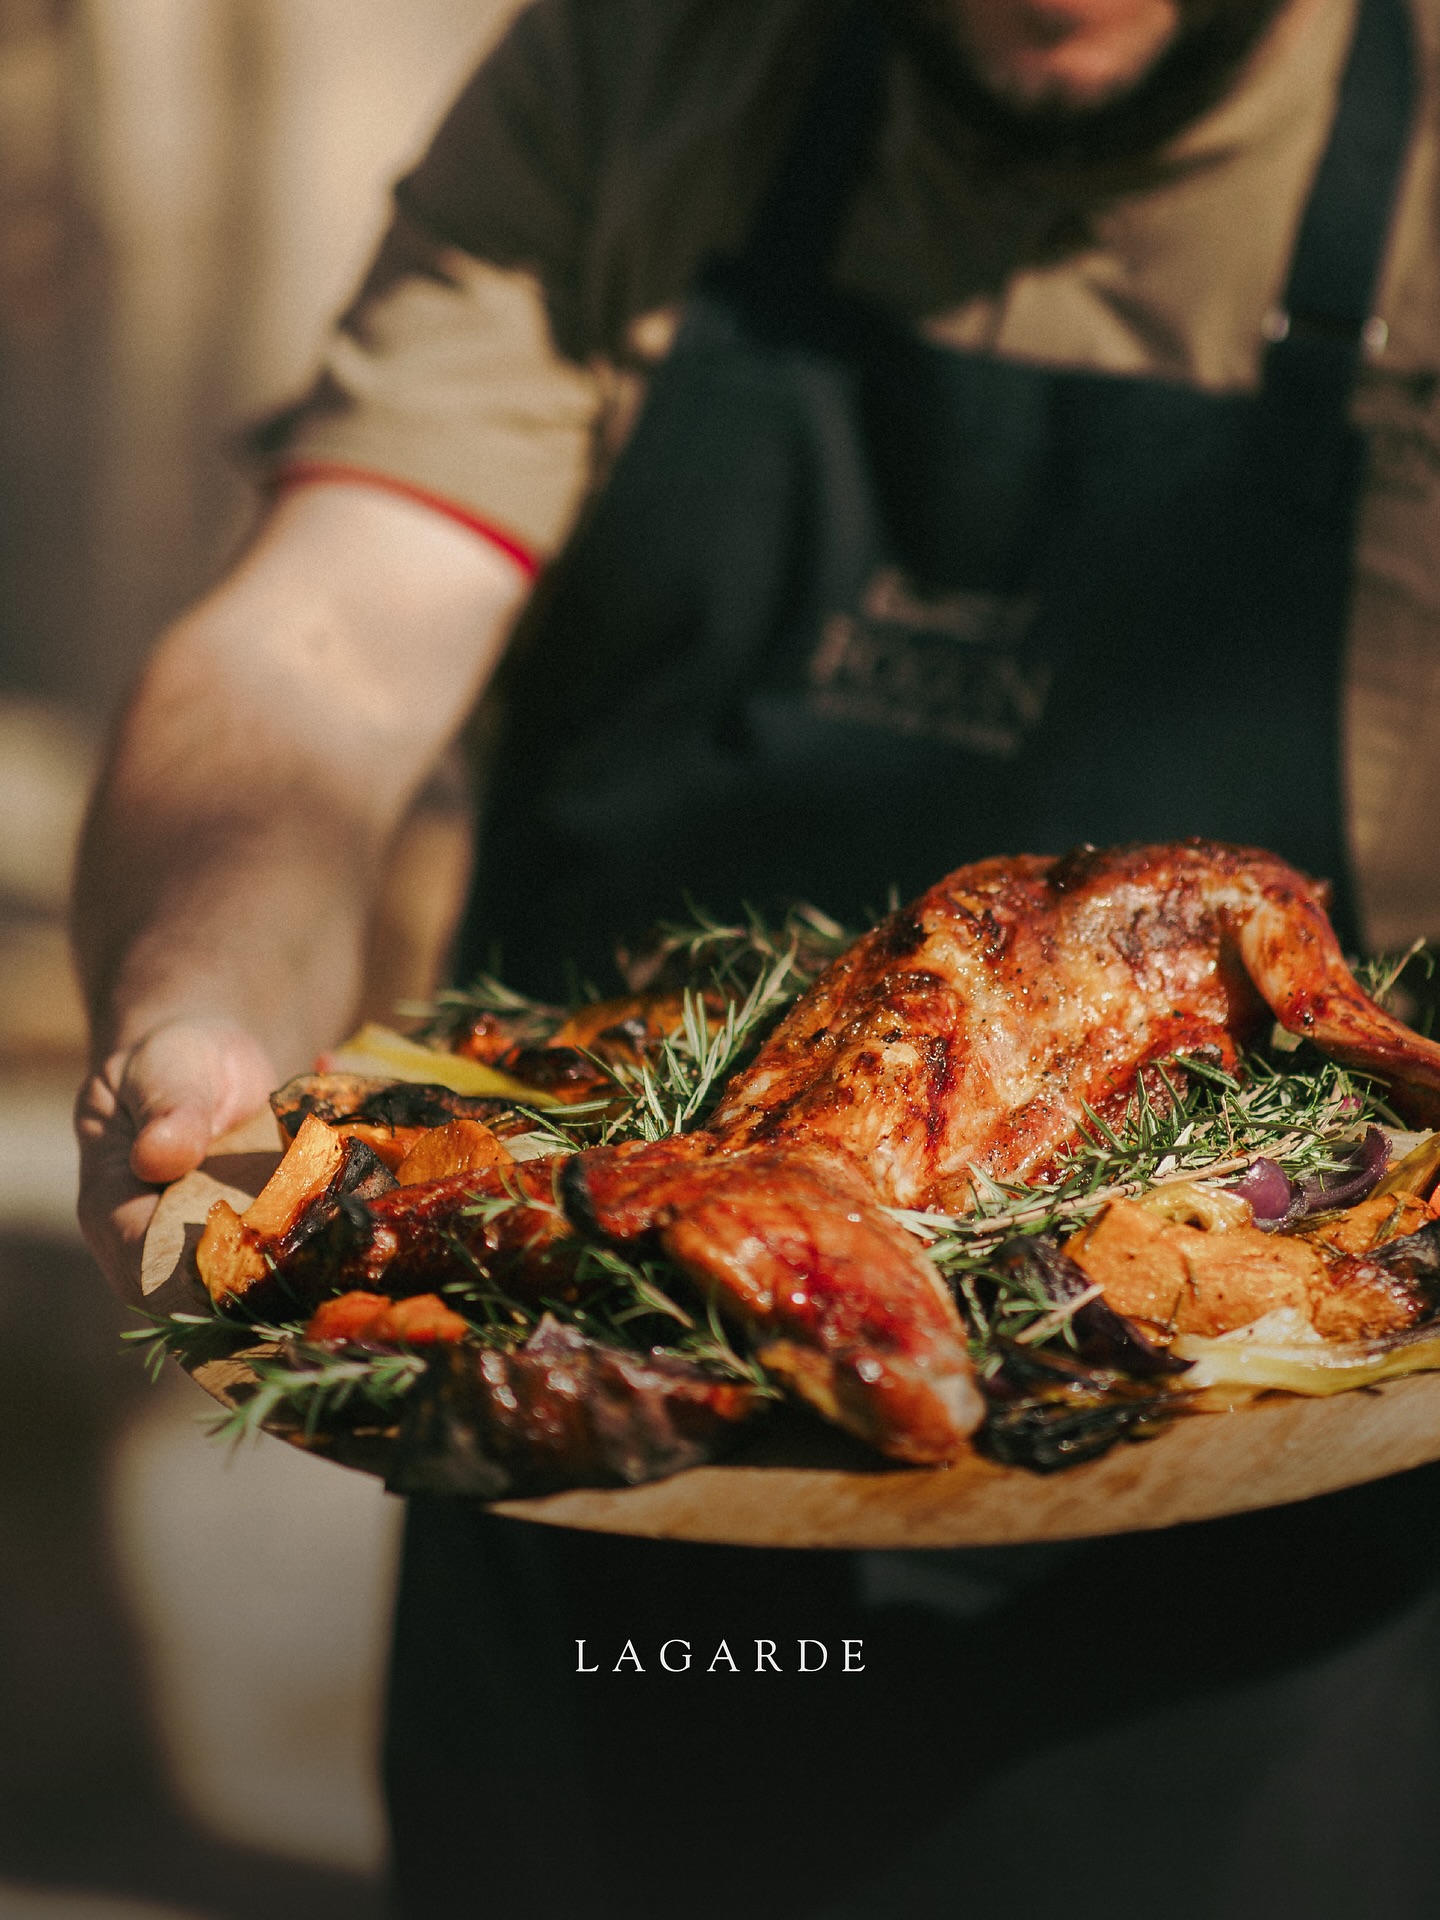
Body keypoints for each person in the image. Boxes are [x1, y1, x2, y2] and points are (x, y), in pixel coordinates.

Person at [73, 1, 1440, 1914]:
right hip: (614, 1521)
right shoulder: (650, 59)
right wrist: (199, 999)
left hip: (1213, 1659)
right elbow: (324, 653)